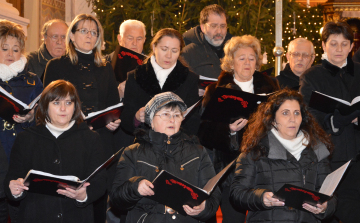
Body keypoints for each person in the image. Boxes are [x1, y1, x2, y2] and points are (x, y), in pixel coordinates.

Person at [43, 14, 120, 223]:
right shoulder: (56, 66)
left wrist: (113, 121)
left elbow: (113, 105)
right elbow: (46, 107)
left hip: (99, 144)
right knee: (66, 202)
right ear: (72, 35)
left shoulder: (105, 67)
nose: (90, 35)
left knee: (96, 203)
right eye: (84, 31)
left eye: (94, 32)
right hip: (67, 143)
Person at [198, 35, 279, 223]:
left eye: (252, 58)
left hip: (265, 166)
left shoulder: (271, 87)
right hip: (231, 170)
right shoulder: (216, 90)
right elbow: (203, 133)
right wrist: (229, 130)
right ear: (231, 62)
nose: (247, 63)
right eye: (242, 58)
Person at [4, 80, 106, 223]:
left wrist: (84, 195)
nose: (63, 109)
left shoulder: (90, 138)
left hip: (77, 216)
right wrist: (14, 189)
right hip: (36, 216)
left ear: (75, 107)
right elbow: (12, 178)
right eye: (56, 103)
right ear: (45, 106)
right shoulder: (26, 138)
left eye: (69, 103)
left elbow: (100, 181)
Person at [110, 92, 221, 223]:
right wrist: (135, 187)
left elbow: (213, 195)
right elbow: (116, 200)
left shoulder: (198, 152)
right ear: (151, 121)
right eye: (165, 114)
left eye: (177, 115)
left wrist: (203, 207)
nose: (172, 120)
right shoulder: (133, 152)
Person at [230, 89, 336, 223]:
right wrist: (261, 198)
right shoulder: (254, 151)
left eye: (297, 113)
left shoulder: (318, 150)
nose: (292, 119)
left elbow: (330, 195)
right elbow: (237, 193)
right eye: (285, 113)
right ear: (272, 119)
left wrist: (326, 207)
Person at [300, 21, 360, 171]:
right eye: (333, 44)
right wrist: (333, 121)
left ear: (352, 46)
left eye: (344, 44)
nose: (339, 49)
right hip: (329, 155)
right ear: (323, 45)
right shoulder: (311, 76)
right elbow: (307, 115)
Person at [0, 19, 43, 222]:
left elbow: (46, 115)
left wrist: (32, 115)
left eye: (16, 49)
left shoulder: (33, 79)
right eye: (4, 48)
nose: (10, 54)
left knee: (21, 210)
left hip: (23, 151)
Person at [120, 28, 200, 136]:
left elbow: (193, 123)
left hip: (176, 147)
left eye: (174, 51)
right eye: (164, 49)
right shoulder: (135, 76)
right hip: (144, 145)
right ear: (154, 47)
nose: (169, 55)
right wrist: (137, 117)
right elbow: (125, 119)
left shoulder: (189, 79)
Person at [182, 4, 232, 79]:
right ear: (203, 27)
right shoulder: (187, 54)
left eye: (222, 26)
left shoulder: (235, 50)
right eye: (213, 26)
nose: (219, 31)